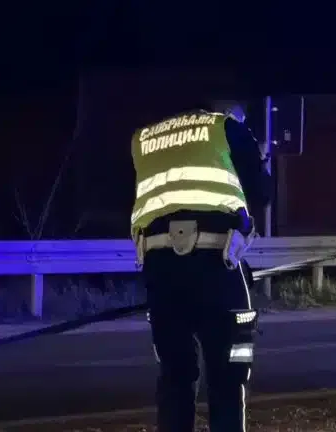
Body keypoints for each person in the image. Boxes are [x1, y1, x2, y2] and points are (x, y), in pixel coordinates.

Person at [129, 100, 271, 432]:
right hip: (215, 266)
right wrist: (261, 161)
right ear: (228, 110)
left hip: (160, 270)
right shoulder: (226, 128)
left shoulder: (146, 138)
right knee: (228, 377)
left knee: (175, 377)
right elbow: (260, 193)